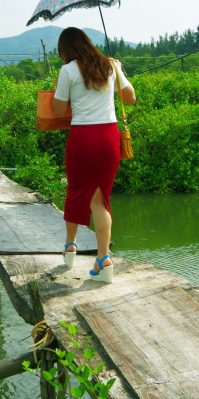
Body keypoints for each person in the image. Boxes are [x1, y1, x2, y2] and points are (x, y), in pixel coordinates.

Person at [52, 27, 136, 283]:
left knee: (76, 191)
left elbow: (57, 111)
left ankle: (70, 246)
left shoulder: (68, 70)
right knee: (100, 199)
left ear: (66, 50)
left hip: (83, 138)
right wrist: (119, 70)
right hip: (109, 138)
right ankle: (103, 258)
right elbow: (130, 99)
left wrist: (60, 84)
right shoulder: (110, 66)